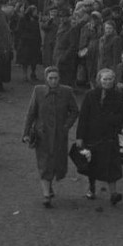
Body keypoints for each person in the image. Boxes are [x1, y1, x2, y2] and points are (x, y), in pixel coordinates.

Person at [22, 66, 80, 207]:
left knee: (57, 162)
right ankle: (46, 195)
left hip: (60, 135)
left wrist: (66, 126)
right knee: (44, 163)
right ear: (46, 79)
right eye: (50, 78)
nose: (53, 81)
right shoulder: (38, 91)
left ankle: (49, 185)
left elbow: (74, 111)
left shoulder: (67, 92)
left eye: (56, 78)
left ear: (59, 78)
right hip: (42, 135)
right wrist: (26, 133)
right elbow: (31, 113)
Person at [75, 67, 123, 205]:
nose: (107, 82)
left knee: (111, 165)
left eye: (110, 79)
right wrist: (79, 136)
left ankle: (113, 193)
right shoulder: (90, 95)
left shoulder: (118, 96)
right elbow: (83, 117)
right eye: (105, 79)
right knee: (92, 163)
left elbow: (122, 115)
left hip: (109, 135)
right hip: (92, 135)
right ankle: (91, 188)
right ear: (99, 80)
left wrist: (112, 120)